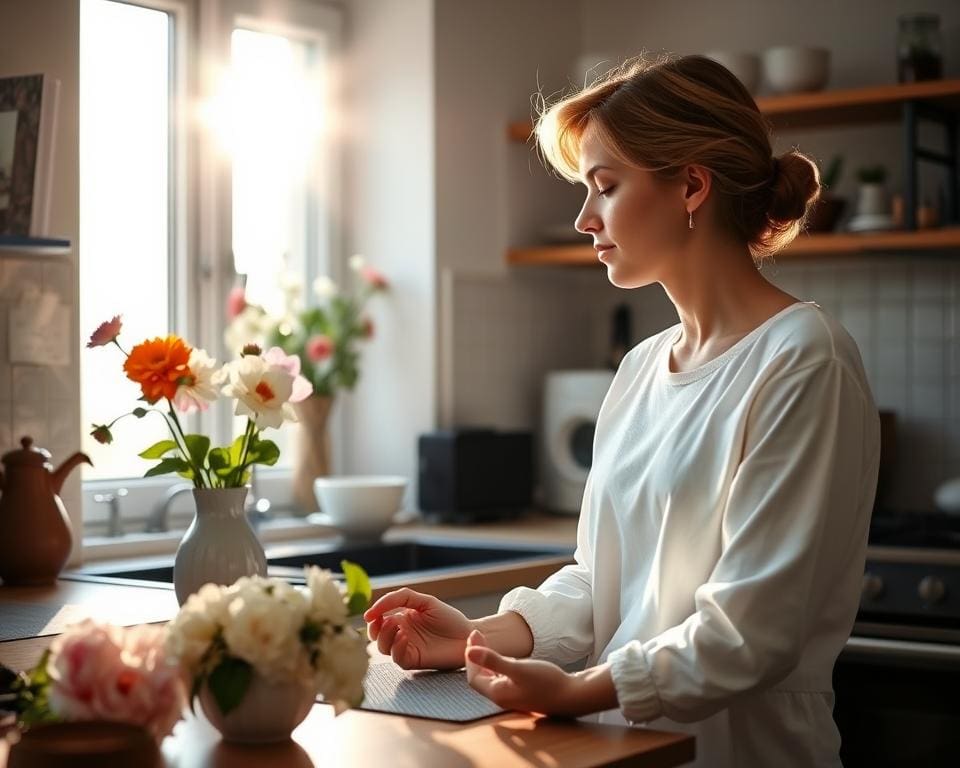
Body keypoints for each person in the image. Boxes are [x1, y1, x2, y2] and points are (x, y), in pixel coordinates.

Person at [364, 53, 881, 768]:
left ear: (691, 186)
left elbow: (749, 634)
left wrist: (578, 691)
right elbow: (598, 579)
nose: (584, 218)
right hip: (617, 753)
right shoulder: (640, 368)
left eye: (605, 187)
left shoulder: (802, 358)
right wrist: (482, 634)